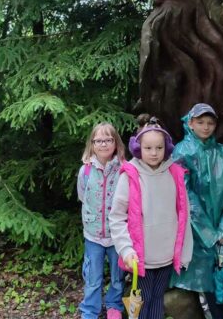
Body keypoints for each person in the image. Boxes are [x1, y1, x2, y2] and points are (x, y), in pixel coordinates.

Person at [171, 103, 223, 319]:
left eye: (210, 123)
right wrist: (209, 233)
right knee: (206, 283)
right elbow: (184, 195)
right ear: (190, 123)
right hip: (195, 233)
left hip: (222, 230)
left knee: (222, 278)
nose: (206, 127)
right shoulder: (182, 152)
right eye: (200, 122)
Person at [109, 115, 193, 319]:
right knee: (142, 300)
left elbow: (184, 215)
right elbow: (117, 217)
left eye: (159, 148)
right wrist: (126, 249)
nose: (154, 153)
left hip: (166, 255)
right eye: (148, 148)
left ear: (167, 148)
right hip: (140, 258)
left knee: (157, 299)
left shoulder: (175, 174)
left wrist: (184, 253)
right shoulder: (130, 175)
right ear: (138, 148)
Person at [77, 122, 126, 319]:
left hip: (117, 236)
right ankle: (90, 310)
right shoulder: (86, 171)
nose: (103, 144)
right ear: (92, 144)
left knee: (117, 275)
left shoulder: (124, 170)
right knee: (92, 276)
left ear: (116, 143)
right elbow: (83, 197)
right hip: (93, 235)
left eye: (108, 140)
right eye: (98, 140)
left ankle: (114, 305)